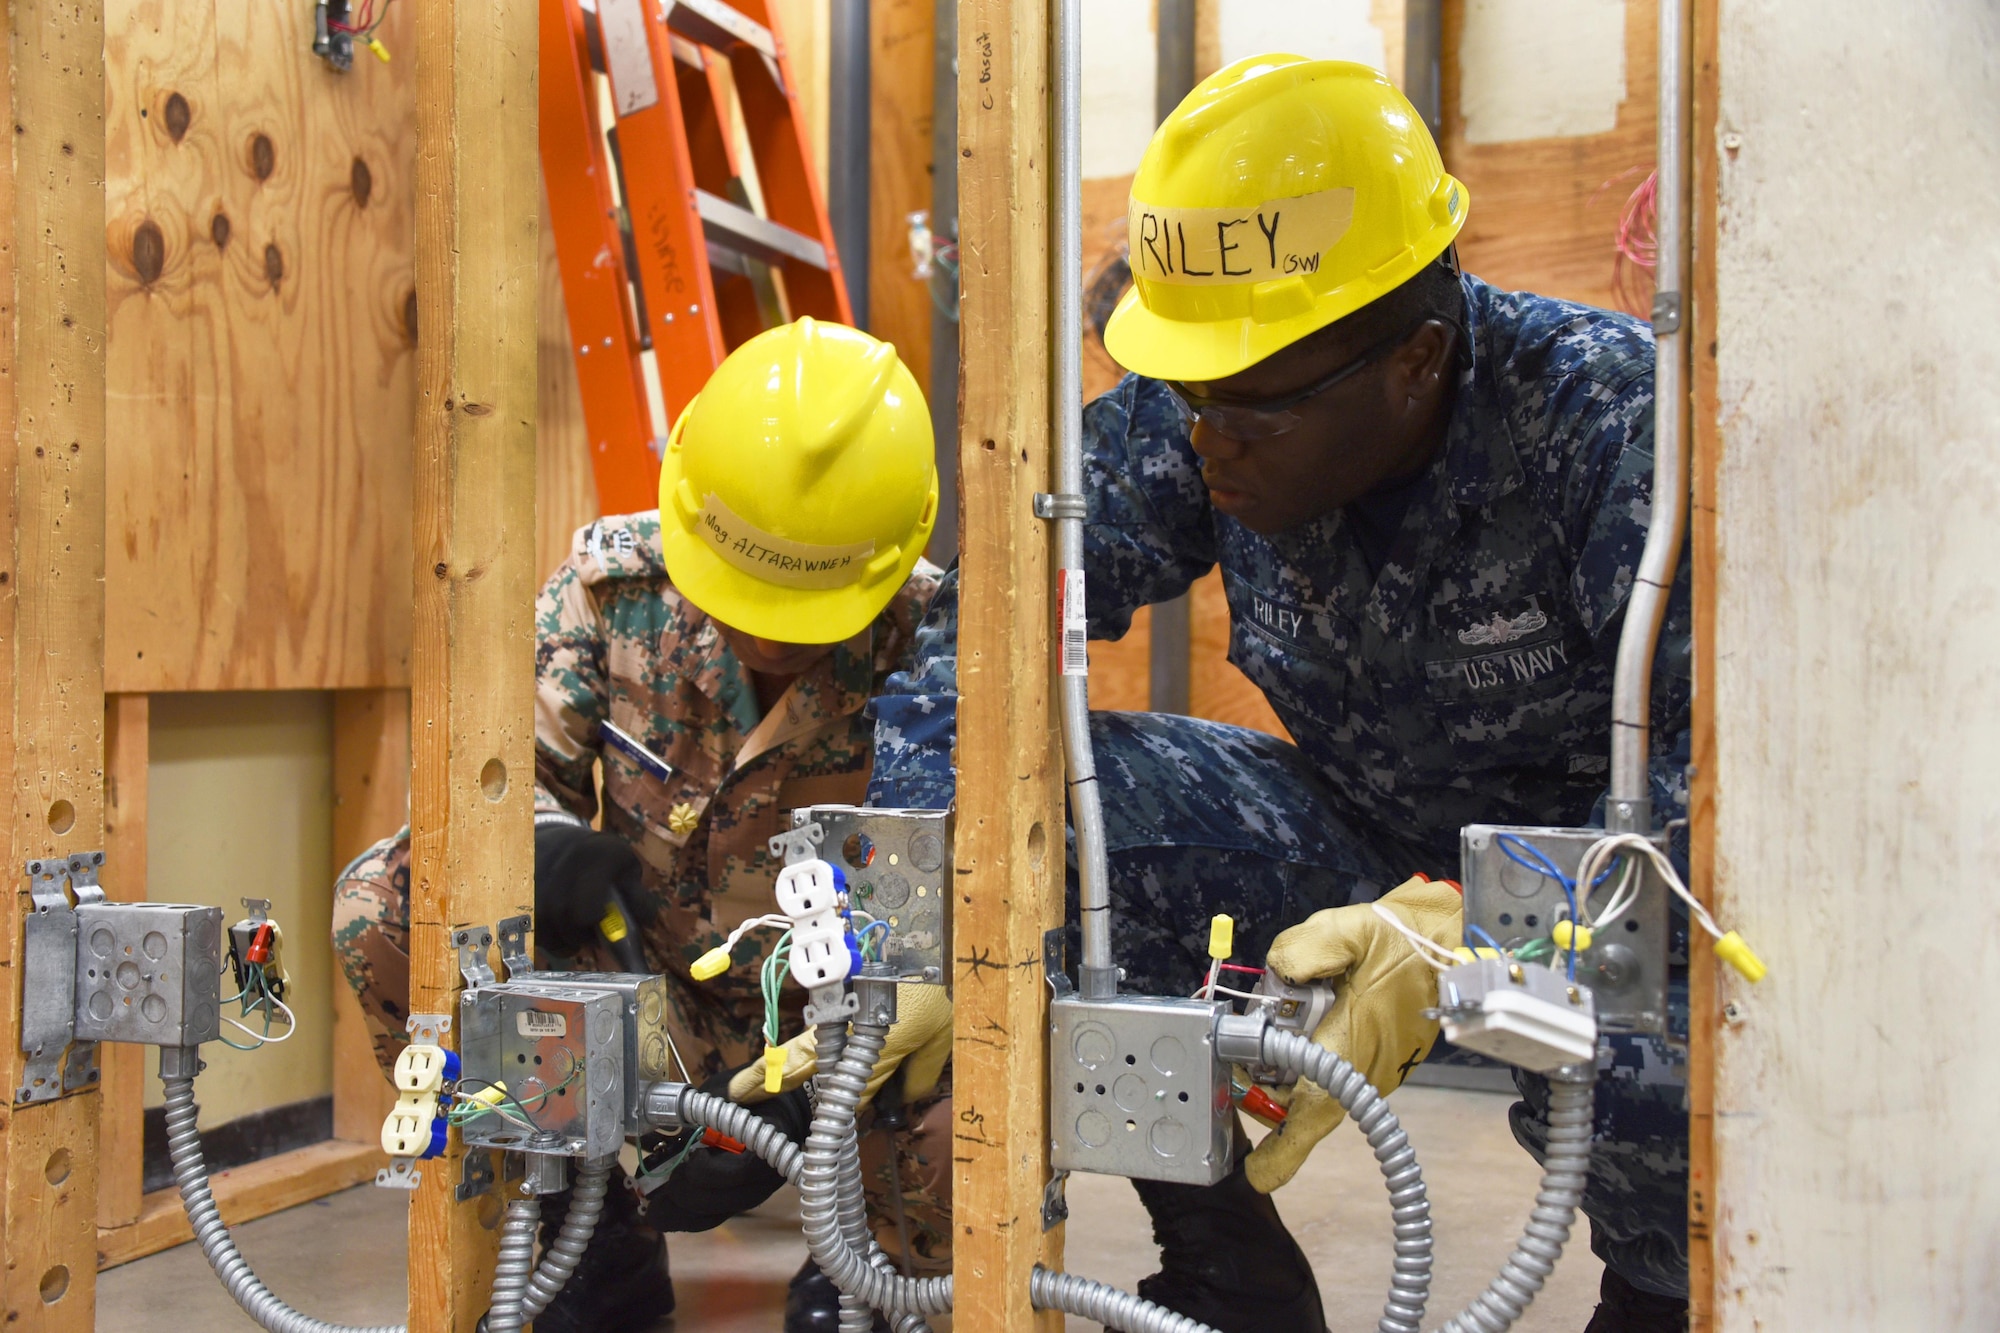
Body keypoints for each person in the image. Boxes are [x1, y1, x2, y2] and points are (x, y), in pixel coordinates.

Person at [864, 55, 1693, 1333]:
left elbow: (1726, 820)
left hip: (1598, 880)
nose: (1203, 441)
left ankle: (1659, 1290)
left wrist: (1461, 927)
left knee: (1680, 1005)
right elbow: (978, 640)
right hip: (1358, 829)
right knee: (1070, 812)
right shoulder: (1209, 408)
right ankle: (1225, 1261)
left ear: (1417, 360)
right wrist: (920, 915)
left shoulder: (1610, 424)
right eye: (1188, 396)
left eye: (1245, 411)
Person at [332, 318, 954, 1333]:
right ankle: (581, 1225)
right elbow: (477, 786)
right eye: (747, 592)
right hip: (653, 996)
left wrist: (811, 1097)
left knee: (988, 1037)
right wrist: (542, 846)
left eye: (802, 608)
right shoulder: (610, 590)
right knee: (384, 904)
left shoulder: (936, 645)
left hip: (850, 1033)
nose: (765, 631)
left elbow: (983, 909)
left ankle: (868, 1268)